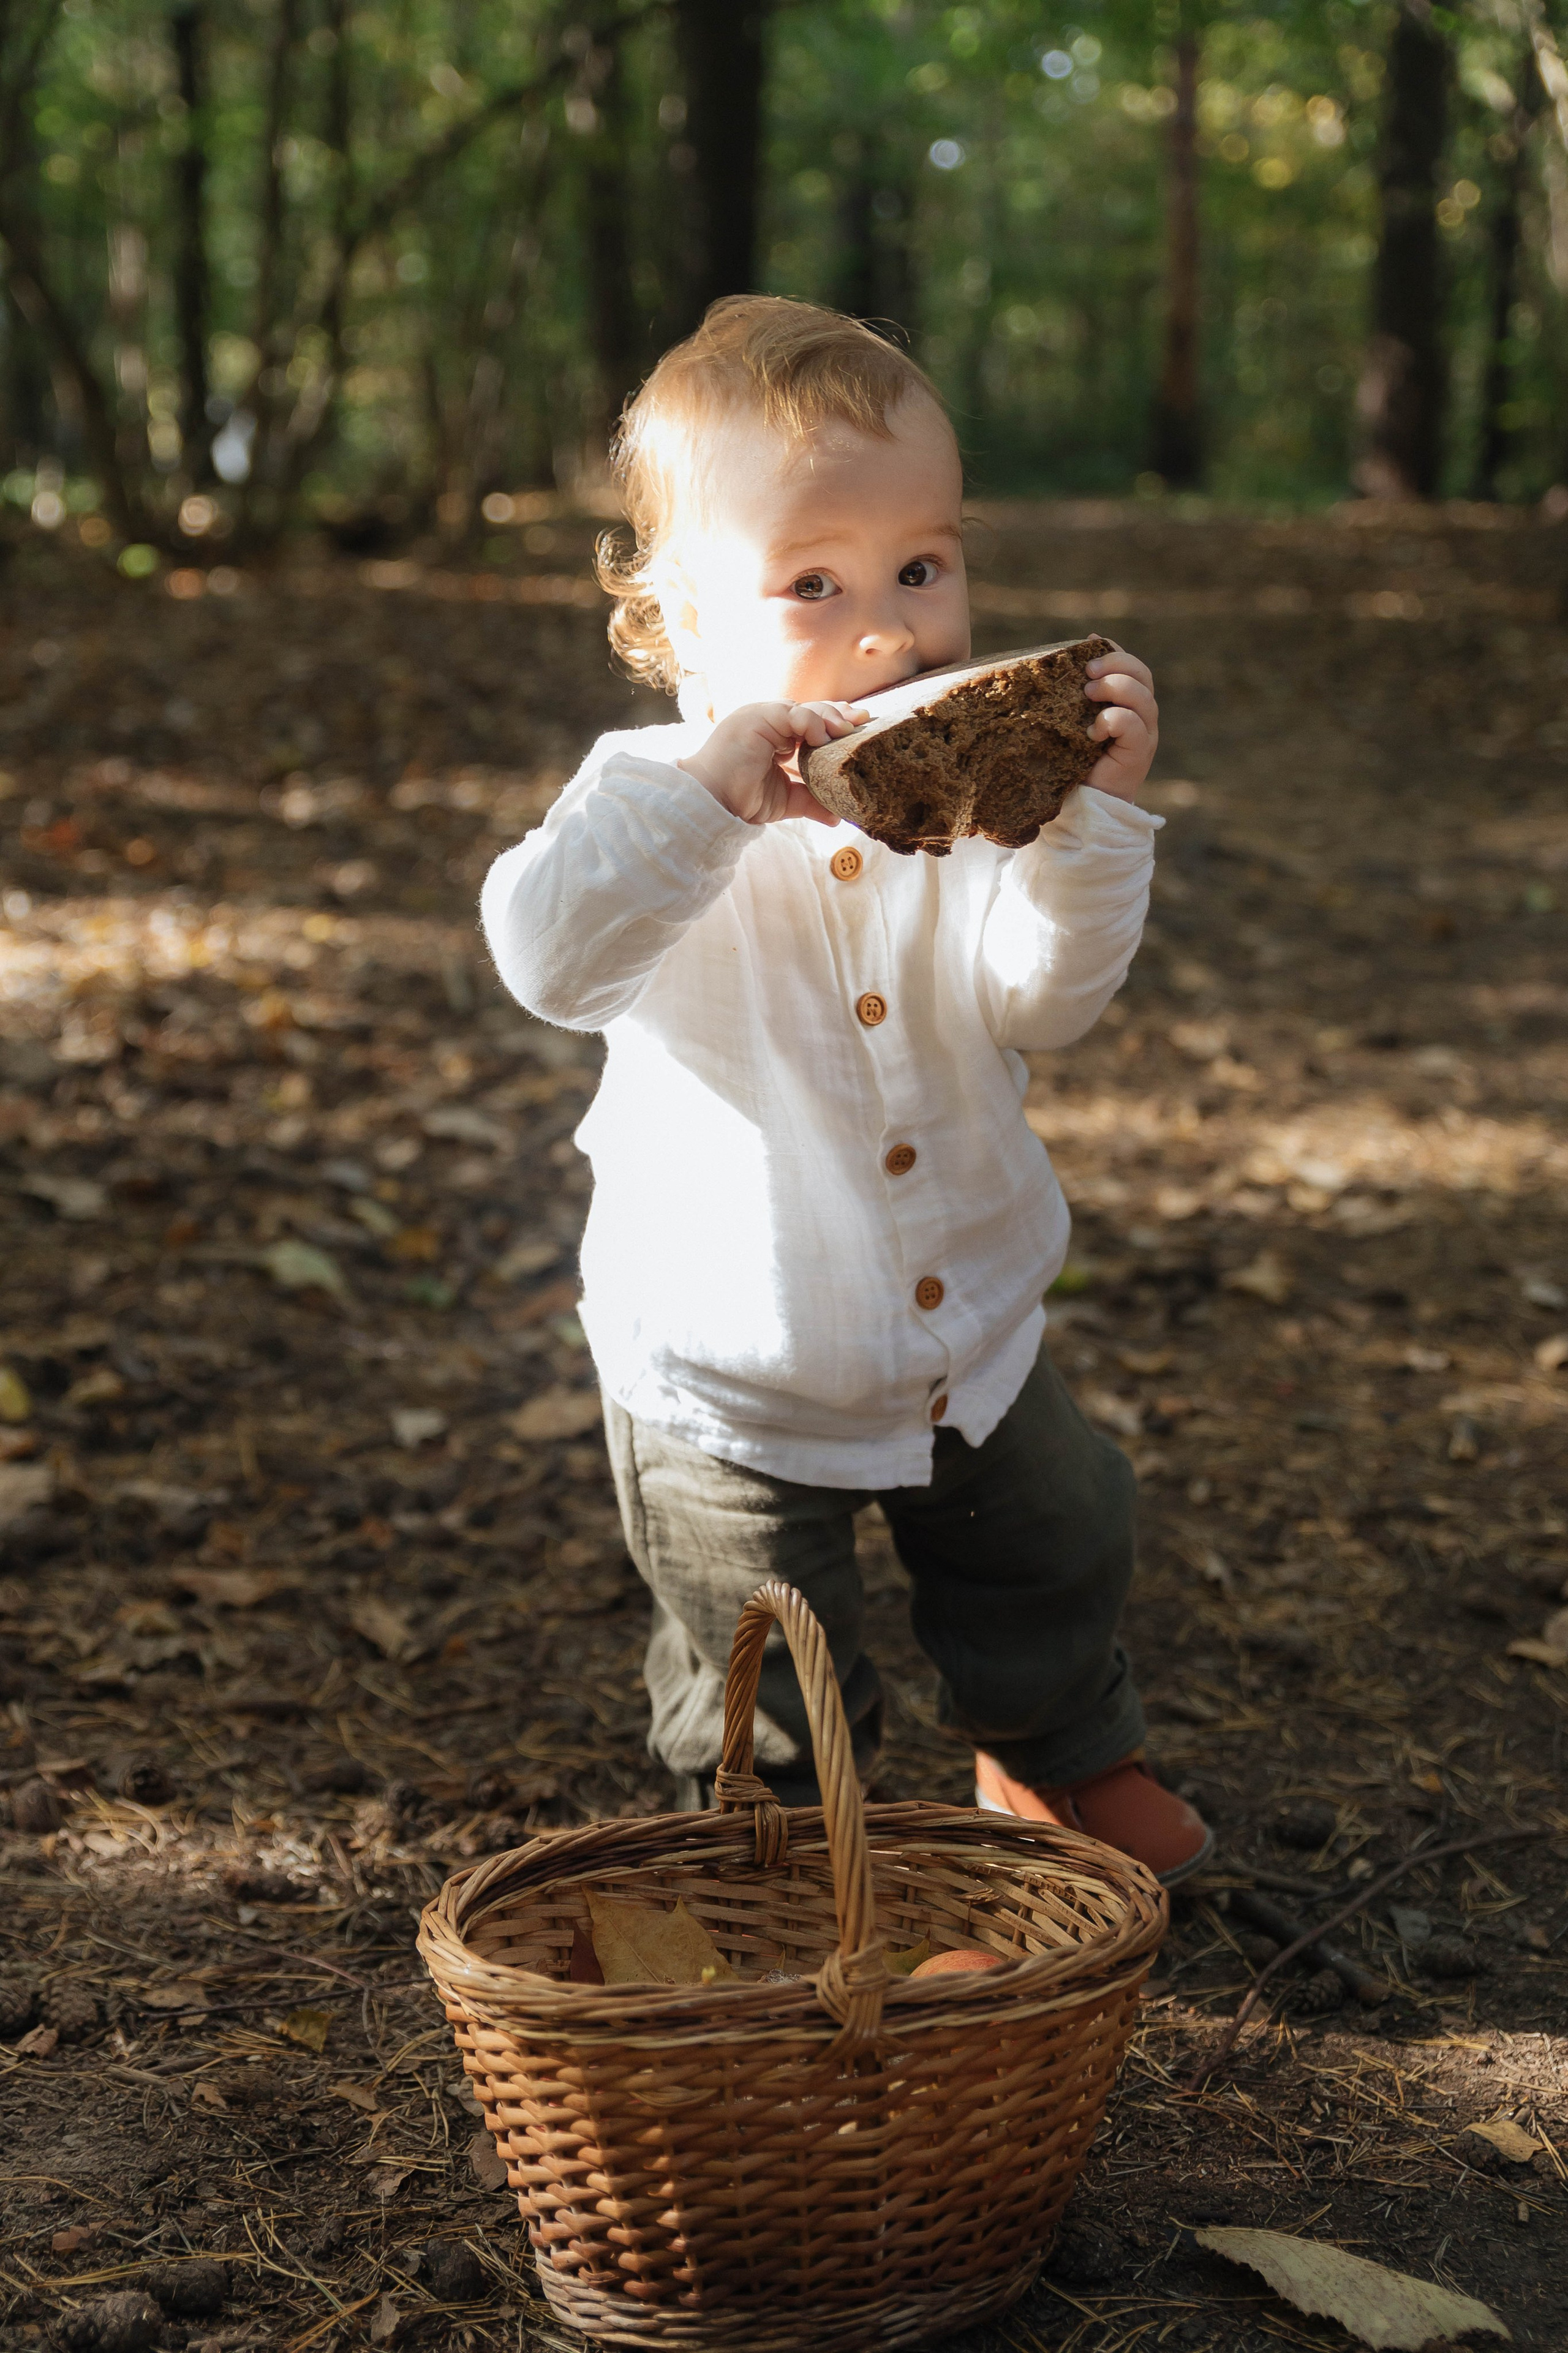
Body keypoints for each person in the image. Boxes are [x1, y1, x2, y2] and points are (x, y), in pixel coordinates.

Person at [481, 295, 1212, 1887]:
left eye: (923, 568)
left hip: (969, 1334)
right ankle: (772, 1883)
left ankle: (1059, 1763)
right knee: (768, 1664)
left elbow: (1044, 1001)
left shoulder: (959, 800)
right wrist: (704, 803)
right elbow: (550, 958)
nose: (892, 628)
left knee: (1058, 1541)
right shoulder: (640, 800)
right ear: (675, 620)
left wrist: (1090, 827)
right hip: (732, 1370)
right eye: (815, 582)